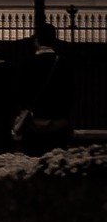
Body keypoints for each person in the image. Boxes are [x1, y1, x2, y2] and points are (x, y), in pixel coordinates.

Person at [12, 24, 76, 156]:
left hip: (34, 122)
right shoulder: (63, 63)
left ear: (37, 41)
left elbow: (19, 92)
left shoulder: (29, 62)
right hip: (59, 121)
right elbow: (71, 92)